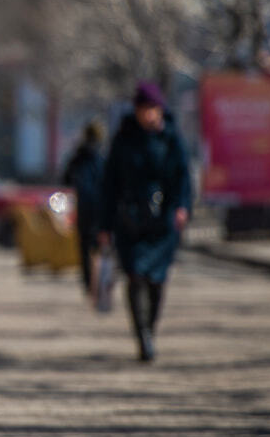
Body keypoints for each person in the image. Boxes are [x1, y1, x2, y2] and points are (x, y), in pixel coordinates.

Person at [99, 81, 191, 362]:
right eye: (142, 109)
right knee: (135, 275)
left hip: (162, 219)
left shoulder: (172, 138)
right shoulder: (124, 138)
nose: (147, 114)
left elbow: (183, 177)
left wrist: (182, 207)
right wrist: (104, 225)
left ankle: (150, 327)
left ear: (159, 109)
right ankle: (143, 337)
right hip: (131, 219)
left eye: (152, 109)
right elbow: (109, 183)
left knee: (157, 281)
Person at [63, 120, 106, 294]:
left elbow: (65, 179)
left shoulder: (78, 157)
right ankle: (98, 283)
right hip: (100, 209)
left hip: (84, 208)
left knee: (85, 248)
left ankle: (89, 284)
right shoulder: (101, 157)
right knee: (99, 247)